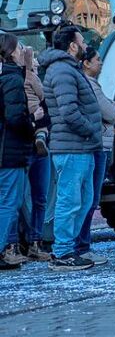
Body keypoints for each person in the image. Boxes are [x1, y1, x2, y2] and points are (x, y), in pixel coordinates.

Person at [41, 25, 102, 272]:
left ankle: (72, 248)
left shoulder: (68, 69)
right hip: (72, 148)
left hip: (81, 147)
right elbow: (68, 112)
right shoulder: (63, 71)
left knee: (83, 199)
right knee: (70, 200)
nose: (86, 46)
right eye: (82, 42)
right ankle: (63, 252)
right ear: (72, 46)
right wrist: (90, 129)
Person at [73, 47, 115, 265]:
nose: (101, 63)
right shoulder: (90, 85)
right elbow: (110, 113)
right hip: (99, 146)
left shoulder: (88, 84)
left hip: (98, 145)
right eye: (97, 60)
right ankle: (82, 246)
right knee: (89, 200)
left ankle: (81, 244)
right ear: (86, 64)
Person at [11, 45, 51, 262]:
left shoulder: (20, 78)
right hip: (23, 145)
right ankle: (31, 241)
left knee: (26, 198)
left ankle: (19, 244)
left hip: (29, 143)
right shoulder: (18, 79)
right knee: (28, 198)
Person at [0, 33, 34, 270]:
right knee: (9, 203)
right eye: (20, 48)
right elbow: (15, 117)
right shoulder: (11, 79)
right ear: (12, 52)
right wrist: (30, 125)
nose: (24, 52)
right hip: (9, 151)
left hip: (6, 149)